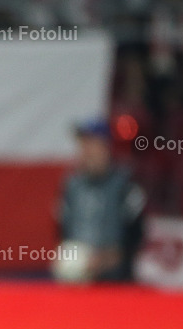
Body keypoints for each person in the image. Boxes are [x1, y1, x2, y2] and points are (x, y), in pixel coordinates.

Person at [54, 119, 145, 283]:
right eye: (83, 145)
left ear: (105, 147)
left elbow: (136, 234)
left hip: (115, 278)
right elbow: (63, 228)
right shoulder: (72, 185)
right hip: (77, 275)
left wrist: (108, 258)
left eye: (91, 144)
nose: (86, 151)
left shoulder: (125, 184)